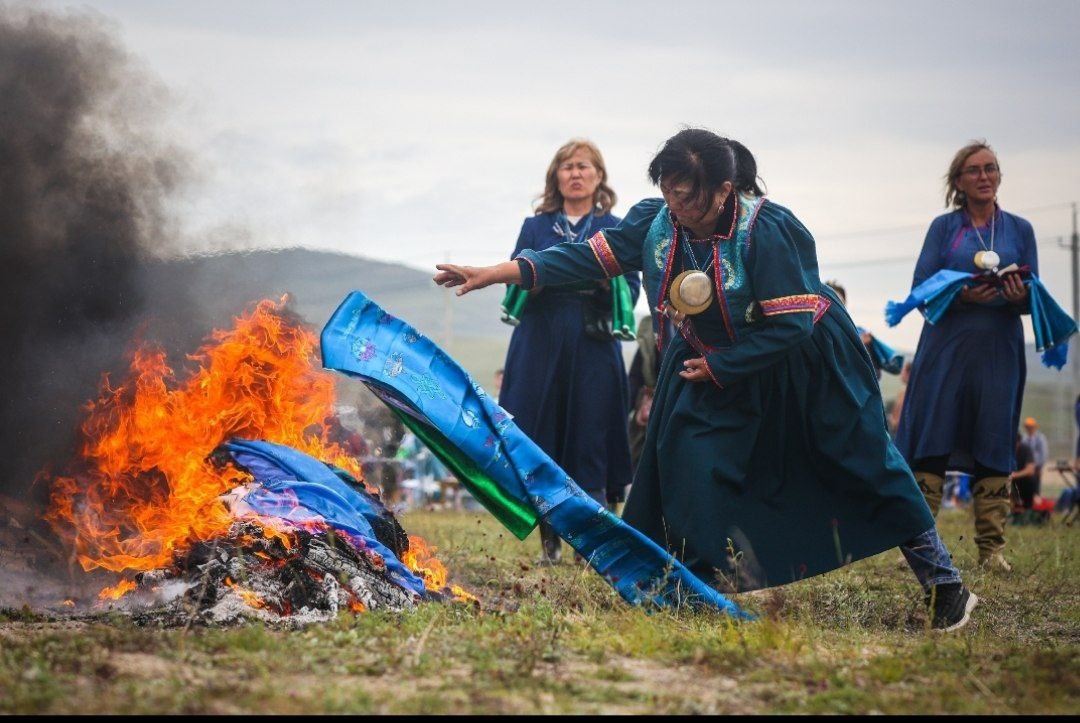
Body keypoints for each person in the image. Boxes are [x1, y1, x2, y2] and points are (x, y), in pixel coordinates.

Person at [435, 129, 976, 631]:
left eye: (689, 197)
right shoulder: (656, 221)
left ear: (724, 190)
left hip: (802, 364)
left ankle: (944, 586)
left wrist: (724, 365)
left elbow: (790, 325)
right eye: (669, 193)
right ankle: (690, 584)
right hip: (707, 361)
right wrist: (493, 273)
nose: (678, 208)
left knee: (862, 462)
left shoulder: (767, 229)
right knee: (686, 459)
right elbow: (582, 260)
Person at [495, 139, 640, 565]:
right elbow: (514, 275)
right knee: (542, 433)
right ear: (556, 177)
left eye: (583, 166)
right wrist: (534, 279)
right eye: (566, 167)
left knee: (592, 432)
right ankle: (550, 545)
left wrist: (602, 283)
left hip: (593, 342)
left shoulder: (616, 228)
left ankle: (597, 544)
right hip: (540, 340)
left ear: (599, 176)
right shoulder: (535, 227)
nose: (575, 173)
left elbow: (631, 287)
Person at [895, 140, 1037, 573]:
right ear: (958, 181)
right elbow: (921, 286)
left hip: (999, 348)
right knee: (934, 438)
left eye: (990, 168)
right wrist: (960, 292)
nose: (984, 176)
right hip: (946, 348)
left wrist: (1018, 295)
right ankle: (922, 546)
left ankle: (992, 548)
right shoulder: (945, 229)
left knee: (995, 439)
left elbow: (1035, 297)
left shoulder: (1019, 229)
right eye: (973, 170)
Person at [1010, 433, 1037, 523]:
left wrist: (1015, 475)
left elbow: (1030, 470)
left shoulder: (1026, 449)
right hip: (1012, 482)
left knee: (1028, 480)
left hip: (1025, 483)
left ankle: (1025, 512)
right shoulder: (1007, 451)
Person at [1021, 417, 1049, 497]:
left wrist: (1040, 467)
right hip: (1025, 467)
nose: (1029, 429)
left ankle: (1035, 505)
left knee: (1036, 487)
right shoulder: (1024, 438)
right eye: (1027, 427)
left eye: (1031, 427)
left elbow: (1043, 454)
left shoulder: (1040, 438)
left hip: (1036, 468)